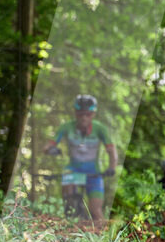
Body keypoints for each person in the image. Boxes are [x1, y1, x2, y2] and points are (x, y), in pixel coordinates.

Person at [45, 94, 117, 223]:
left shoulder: (100, 128)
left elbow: (111, 150)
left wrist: (112, 167)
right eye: (80, 114)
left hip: (94, 172)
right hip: (73, 169)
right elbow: (48, 145)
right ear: (75, 113)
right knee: (70, 203)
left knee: (95, 210)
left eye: (88, 114)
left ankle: (102, 239)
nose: (84, 118)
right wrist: (51, 149)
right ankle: (71, 224)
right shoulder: (66, 127)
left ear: (93, 114)